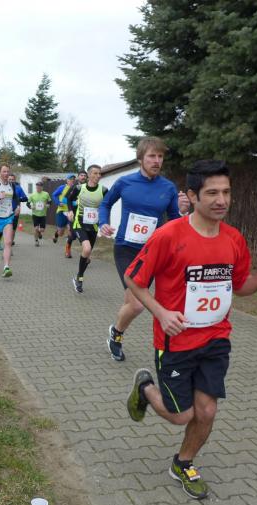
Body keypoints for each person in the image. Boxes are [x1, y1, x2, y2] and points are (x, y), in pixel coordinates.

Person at [125, 160, 257, 500]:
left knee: (207, 410)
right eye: (212, 193)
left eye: (226, 192)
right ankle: (145, 388)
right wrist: (161, 312)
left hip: (215, 339)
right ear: (193, 196)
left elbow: (240, 286)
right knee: (181, 416)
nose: (221, 200)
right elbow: (134, 280)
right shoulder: (169, 236)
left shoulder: (234, 239)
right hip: (175, 341)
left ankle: (183, 462)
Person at [99, 137, 190, 361]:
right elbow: (106, 203)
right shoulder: (125, 182)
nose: (157, 161)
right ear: (140, 158)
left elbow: (174, 221)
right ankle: (116, 335)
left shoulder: (168, 187)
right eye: (152, 156)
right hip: (126, 249)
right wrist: (103, 222)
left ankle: (117, 330)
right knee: (138, 304)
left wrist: (183, 212)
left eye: (160, 156)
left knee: (132, 303)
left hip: (154, 252)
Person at [67, 165, 107, 293]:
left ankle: (78, 276)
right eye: (95, 173)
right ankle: (80, 278)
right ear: (89, 175)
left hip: (93, 226)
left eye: (99, 173)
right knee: (87, 249)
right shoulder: (79, 188)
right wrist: (70, 211)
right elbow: (69, 199)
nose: (98, 176)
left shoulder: (104, 190)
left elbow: (107, 205)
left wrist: (105, 222)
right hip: (80, 223)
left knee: (87, 254)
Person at [52, 174, 76, 248]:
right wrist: (58, 203)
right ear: (67, 180)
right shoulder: (62, 187)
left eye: (73, 179)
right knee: (61, 233)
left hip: (70, 212)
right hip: (61, 211)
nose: (72, 180)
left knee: (70, 229)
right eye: (70, 179)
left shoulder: (76, 188)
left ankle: (68, 248)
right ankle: (56, 234)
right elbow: (54, 195)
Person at [27, 179, 52, 246]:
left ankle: (40, 233)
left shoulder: (46, 194)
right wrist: (31, 207)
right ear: (36, 187)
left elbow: (50, 201)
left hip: (43, 214)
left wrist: (48, 204)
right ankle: (36, 241)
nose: (38, 188)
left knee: (42, 229)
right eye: (37, 187)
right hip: (35, 214)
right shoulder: (33, 195)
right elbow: (28, 203)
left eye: (40, 187)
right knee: (36, 228)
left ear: (42, 187)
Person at [8, 173, 28, 246]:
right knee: (5, 227)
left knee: (13, 227)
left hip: (15, 211)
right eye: (10, 179)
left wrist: (18, 199)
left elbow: (25, 198)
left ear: (15, 180)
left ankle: (10, 241)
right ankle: (3, 241)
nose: (11, 181)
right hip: (5, 211)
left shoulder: (18, 188)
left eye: (12, 179)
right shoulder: (4, 187)